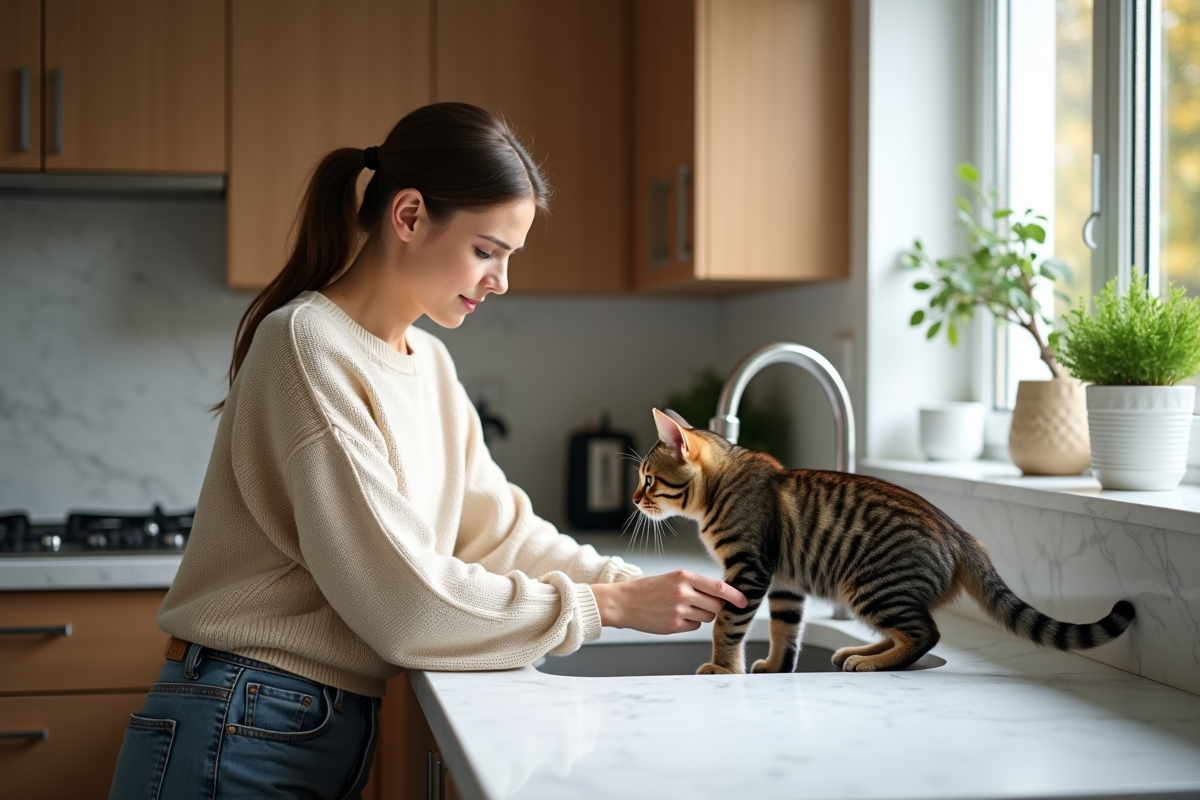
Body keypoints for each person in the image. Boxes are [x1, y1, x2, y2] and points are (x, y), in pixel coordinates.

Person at [108, 102, 746, 799]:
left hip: (296, 722)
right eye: (486, 251)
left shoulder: (430, 363)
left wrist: (632, 582)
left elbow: (497, 532)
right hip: (241, 719)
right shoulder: (308, 345)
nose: (501, 281)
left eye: (509, 258)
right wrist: (609, 606)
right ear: (408, 217)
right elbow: (405, 606)